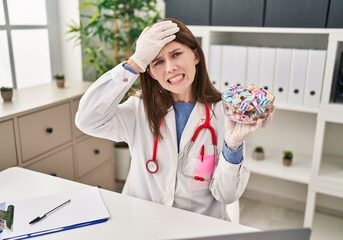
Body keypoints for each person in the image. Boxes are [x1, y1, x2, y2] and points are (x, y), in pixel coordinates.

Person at [75, 18, 273, 221]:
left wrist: (233, 145)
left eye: (176, 54)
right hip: (143, 224)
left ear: (195, 55)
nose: (170, 68)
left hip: (199, 227)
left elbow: (226, 195)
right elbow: (87, 120)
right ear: (149, 71)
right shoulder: (138, 109)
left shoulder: (225, 114)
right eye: (157, 62)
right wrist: (135, 62)